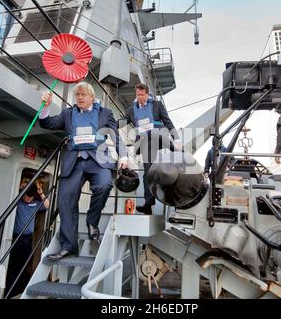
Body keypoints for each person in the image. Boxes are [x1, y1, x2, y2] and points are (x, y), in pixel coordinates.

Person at [39, 82, 128, 260]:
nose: (79, 98)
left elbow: (115, 136)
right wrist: (45, 108)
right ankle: (69, 247)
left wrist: (124, 156)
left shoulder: (105, 113)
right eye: (77, 95)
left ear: (92, 97)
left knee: (104, 185)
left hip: (98, 160)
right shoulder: (68, 113)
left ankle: (92, 221)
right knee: (65, 200)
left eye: (83, 95)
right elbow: (47, 124)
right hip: (74, 161)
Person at [121, 83, 181, 215]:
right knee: (148, 173)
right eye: (138, 95)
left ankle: (176, 150)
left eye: (142, 95)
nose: (140, 97)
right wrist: (108, 124)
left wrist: (176, 138)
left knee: (168, 164)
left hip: (159, 138)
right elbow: (122, 122)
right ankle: (148, 203)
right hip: (145, 143)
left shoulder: (157, 105)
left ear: (147, 95)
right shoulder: (132, 110)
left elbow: (167, 121)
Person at [5, 183, 49, 297]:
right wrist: (19, 187)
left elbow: (47, 205)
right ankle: (10, 291)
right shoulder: (18, 202)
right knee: (12, 265)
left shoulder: (35, 203)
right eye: (26, 195)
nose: (28, 198)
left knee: (25, 265)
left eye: (30, 196)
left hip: (28, 239)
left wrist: (40, 192)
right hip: (16, 238)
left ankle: (21, 289)